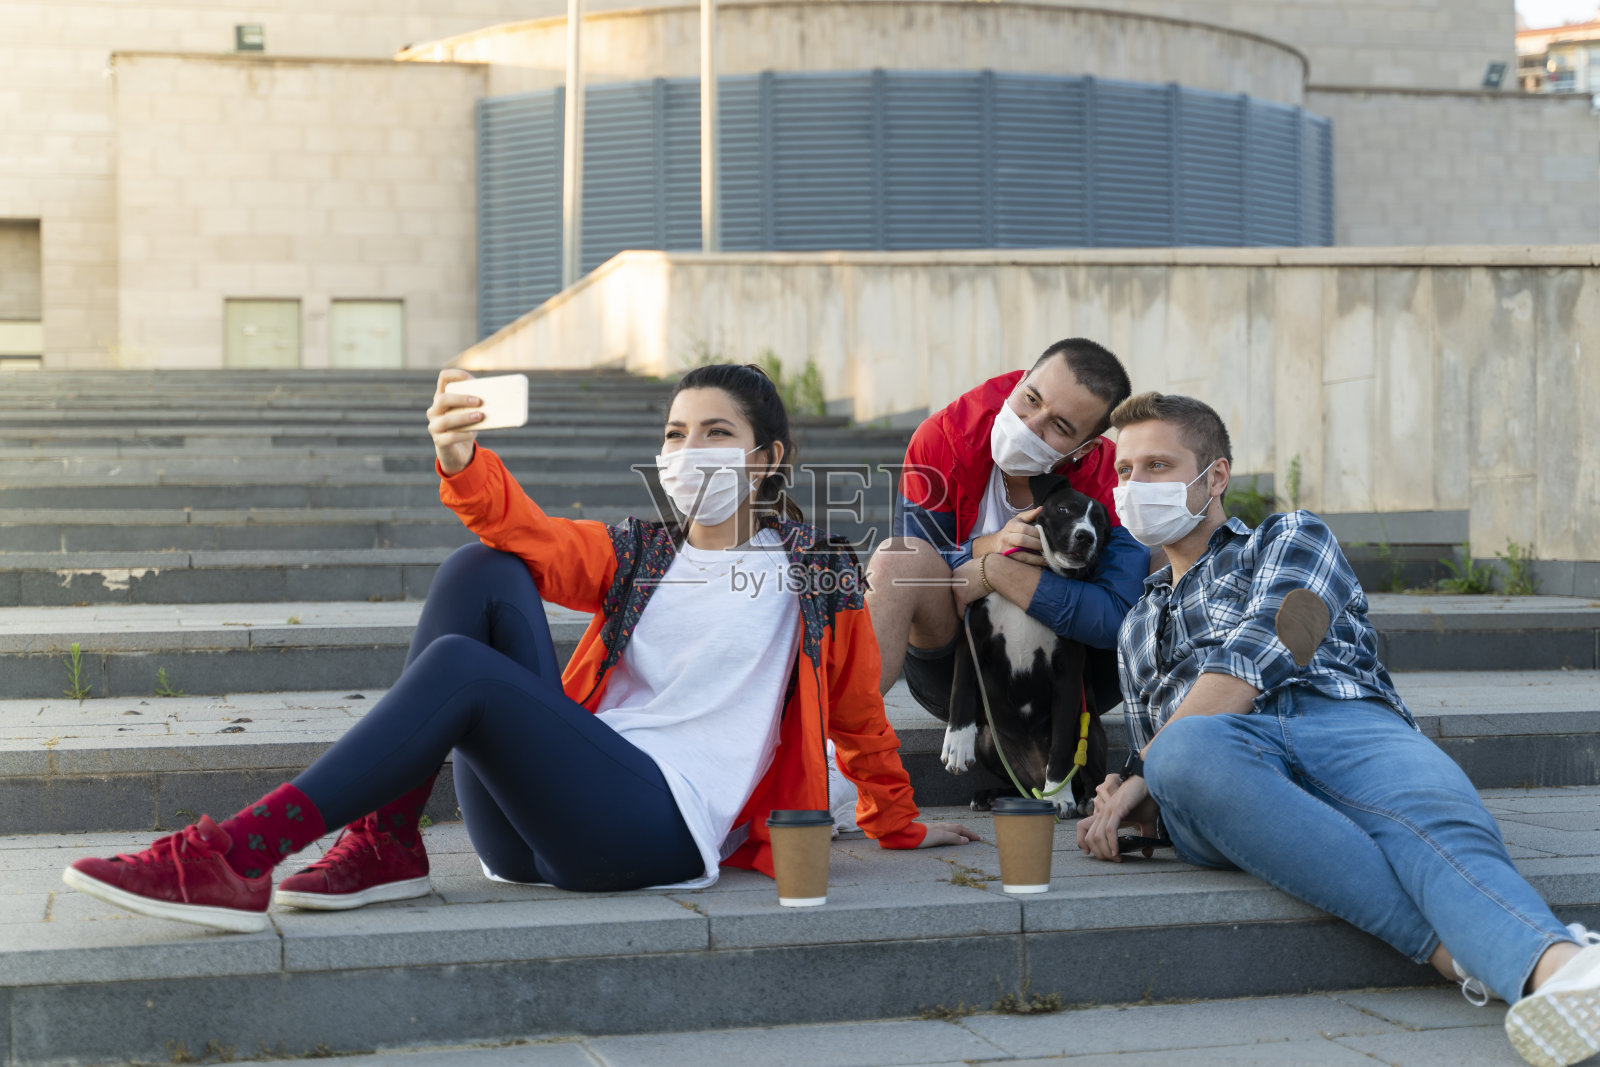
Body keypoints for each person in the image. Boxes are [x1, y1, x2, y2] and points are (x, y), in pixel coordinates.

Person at [61, 363, 978, 933]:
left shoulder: (814, 573)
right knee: (483, 569)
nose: (687, 450)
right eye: (673, 433)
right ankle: (386, 842)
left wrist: (897, 822)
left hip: (651, 829)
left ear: (769, 458)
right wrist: (462, 462)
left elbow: (857, 715)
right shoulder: (639, 553)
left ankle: (236, 853)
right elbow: (530, 536)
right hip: (544, 817)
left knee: (465, 670)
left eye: (715, 434)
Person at [1076, 391, 1600, 1067]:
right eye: (1124, 471)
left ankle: (1547, 970)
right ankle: (1524, 956)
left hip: (1341, 722)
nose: (1135, 485)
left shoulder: (1289, 536)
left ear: (1216, 476)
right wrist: (1128, 796)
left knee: (1432, 819)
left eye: (1157, 464)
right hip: (1223, 762)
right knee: (1186, 752)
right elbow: (1168, 757)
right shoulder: (1136, 624)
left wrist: (1145, 768)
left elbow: (1259, 654)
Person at [864, 338, 1149, 778]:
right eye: (1030, 399)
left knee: (1166, 562)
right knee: (895, 560)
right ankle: (840, 756)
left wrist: (1002, 572)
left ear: (1084, 451)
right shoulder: (944, 438)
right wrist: (985, 551)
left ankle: (1161, 768)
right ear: (1021, 380)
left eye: (1060, 426)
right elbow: (919, 570)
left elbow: (1116, 618)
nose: (1030, 425)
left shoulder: (1110, 476)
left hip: (1070, 685)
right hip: (956, 675)